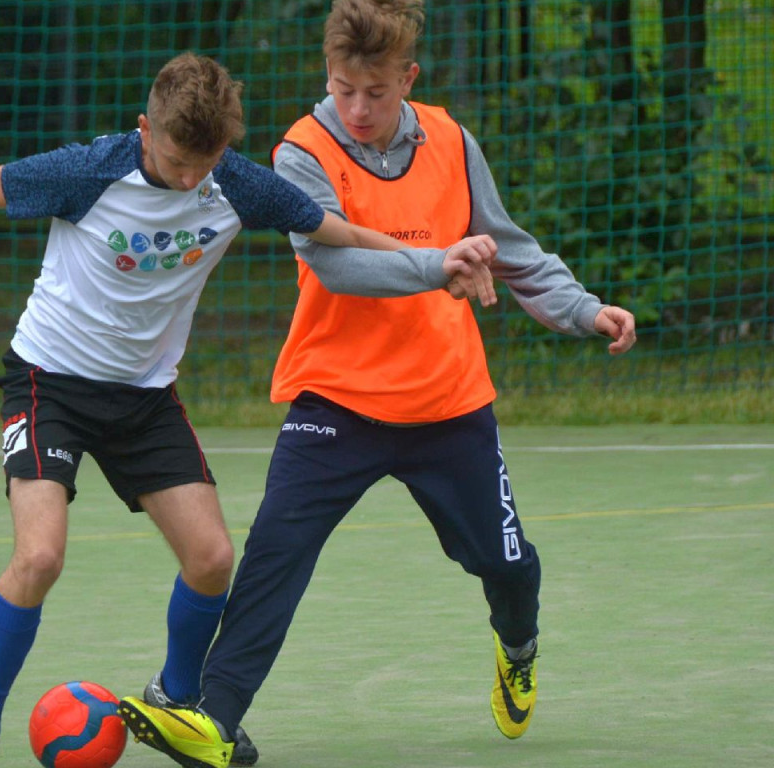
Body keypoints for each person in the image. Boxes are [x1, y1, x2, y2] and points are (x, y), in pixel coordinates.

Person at [0, 51, 496, 768]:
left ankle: (176, 700)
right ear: (145, 129)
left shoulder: (234, 182)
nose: (191, 177)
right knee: (40, 555)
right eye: (175, 160)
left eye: (206, 163)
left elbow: (340, 231)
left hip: (144, 401)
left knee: (211, 558)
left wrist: (436, 263)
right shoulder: (90, 170)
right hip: (52, 383)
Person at [116, 3, 638, 767]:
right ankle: (217, 719)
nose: (356, 109)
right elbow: (335, 263)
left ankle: (517, 646)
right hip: (337, 397)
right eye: (342, 88)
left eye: (376, 93)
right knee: (274, 554)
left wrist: (584, 310)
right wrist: (439, 265)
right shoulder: (302, 149)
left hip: (447, 400)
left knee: (508, 565)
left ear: (409, 79)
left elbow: (511, 248)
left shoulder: (452, 140)